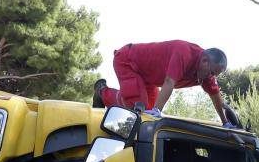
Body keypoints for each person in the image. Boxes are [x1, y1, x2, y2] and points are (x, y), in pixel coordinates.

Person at [92, 40, 238, 125]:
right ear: (205, 61)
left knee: (146, 120)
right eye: (212, 73)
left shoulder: (207, 72)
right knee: (137, 109)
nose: (211, 77)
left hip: (149, 78)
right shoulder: (184, 52)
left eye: (215, 75)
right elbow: (169, 82)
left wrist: (226, 122)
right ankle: (102, 92)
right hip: (128, 61)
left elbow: (215, 96)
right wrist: (157, 111)